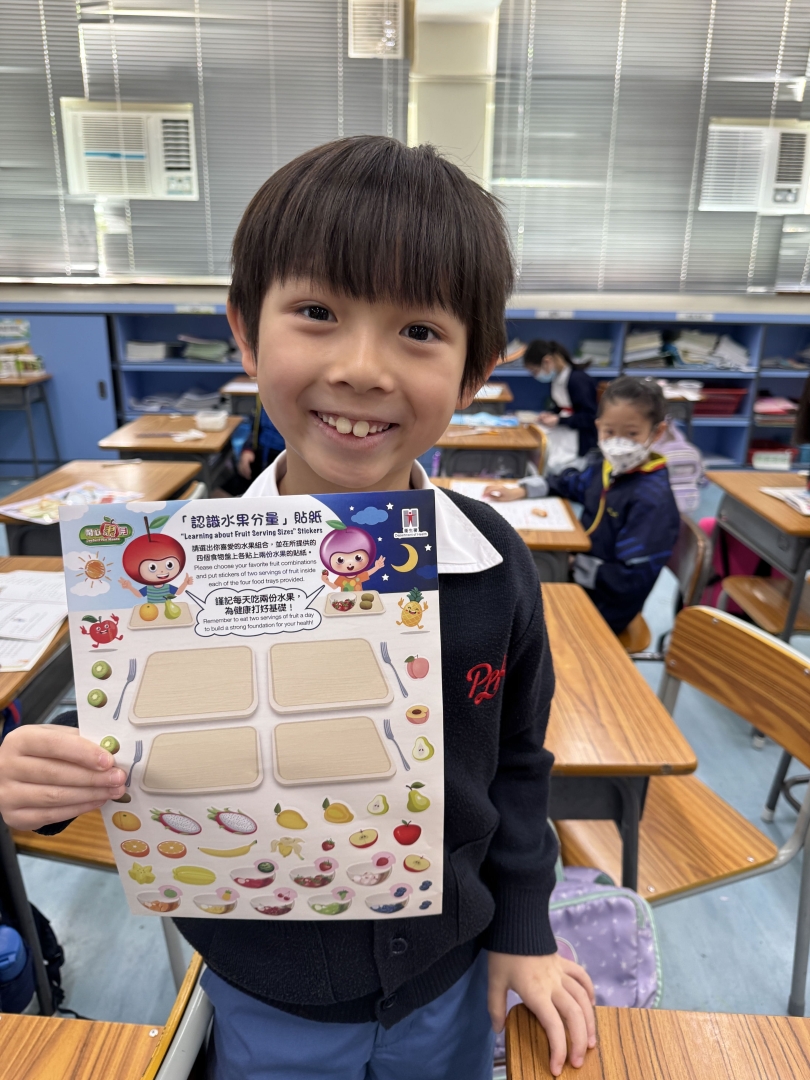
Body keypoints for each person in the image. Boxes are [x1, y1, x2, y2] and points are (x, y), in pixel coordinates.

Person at [0, 137, 595, 1080]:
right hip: (266, 980)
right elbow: (148, 729)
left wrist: (525, 928)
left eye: (419, 330)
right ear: (245, 332)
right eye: (317, 313)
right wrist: (47, 772)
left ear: (476, 369)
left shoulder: (492, 562)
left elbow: (519, 761)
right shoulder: (170, 570)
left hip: (447, 969)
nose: (362, 368)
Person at [485, 376, 680, 635]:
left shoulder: (652, 500)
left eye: (632, 434)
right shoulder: (605, 469)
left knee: (515, 609)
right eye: (609, 432)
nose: (618, 442)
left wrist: (574, 565)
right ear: (598, 427)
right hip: (582, 577)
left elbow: (631, 579)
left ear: (657, 432)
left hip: (605, 605)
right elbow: (569, 483)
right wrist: (523, 489)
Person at [524, 340, 598, 462]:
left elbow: (589, 417)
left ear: (547, 361)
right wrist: (551, 414)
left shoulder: (578, 380)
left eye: (535, 371)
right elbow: (563, 406)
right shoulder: (557, 379)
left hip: (580, 439)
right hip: (566, 430)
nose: (536, 376)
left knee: (544, 458)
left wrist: (559, 420)